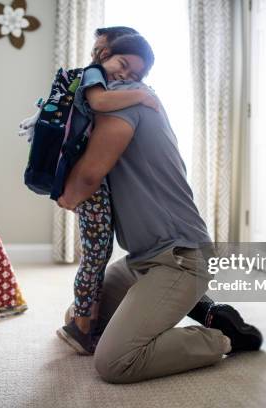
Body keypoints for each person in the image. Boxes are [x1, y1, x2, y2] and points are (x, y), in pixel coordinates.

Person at [57, 34, 262, 383]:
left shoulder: (128, 102)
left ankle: (220, 338)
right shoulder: (114, 101)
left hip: (180, 258)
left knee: (115, 361)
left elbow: (87, 178)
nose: (121, 76)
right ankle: (204, 309)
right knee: (78, 318)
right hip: (142, 260)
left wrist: (64, 193)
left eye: (129, 71)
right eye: (117, 65)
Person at [54, 34, 160, 355]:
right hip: (90, 183)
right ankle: (81, 325)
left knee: (98, 251)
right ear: (106, 54)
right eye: (122, 64)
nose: (125, 76)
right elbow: (99, 103)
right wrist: (140, 96)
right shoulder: (92, 75)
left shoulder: (101, 76)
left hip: (96, 182)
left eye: (134, 76)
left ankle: (88, 317)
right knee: (96, 254)